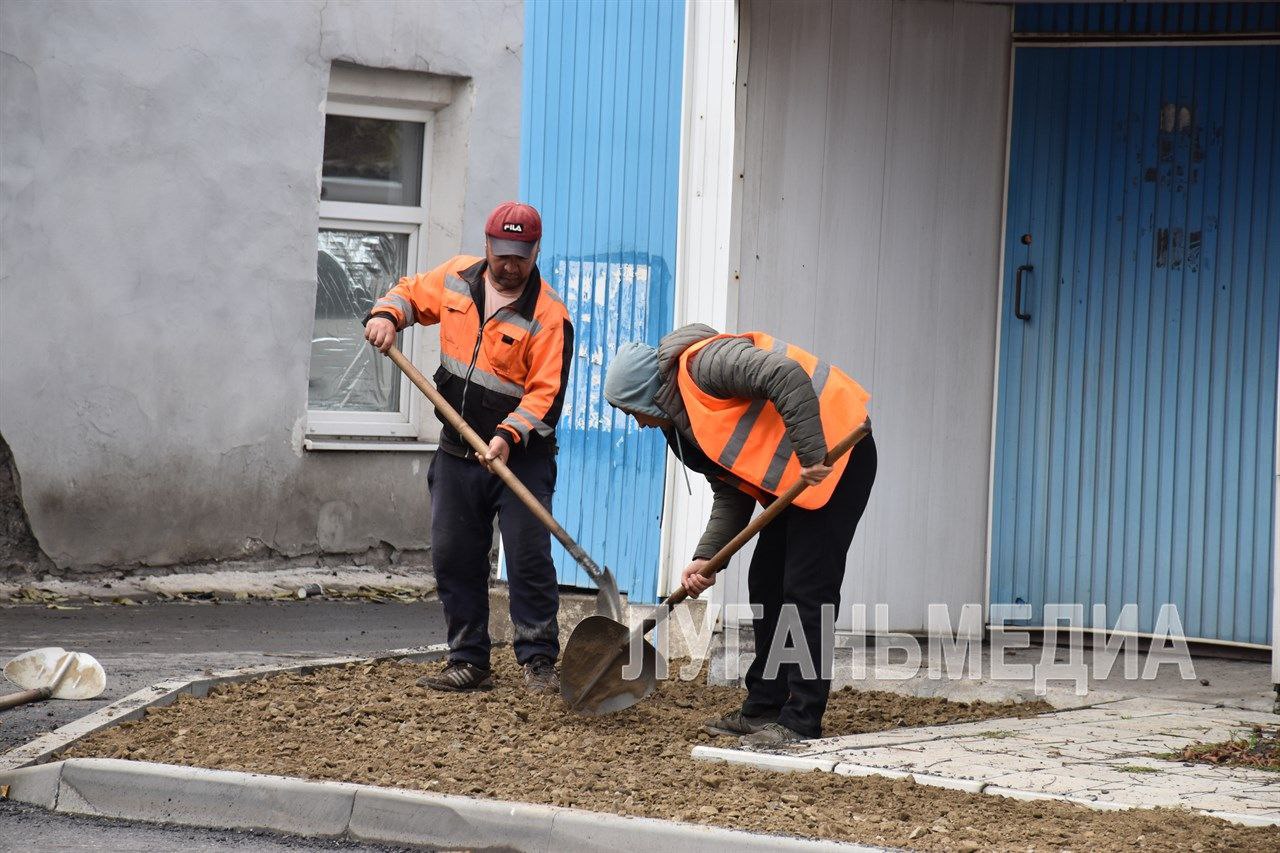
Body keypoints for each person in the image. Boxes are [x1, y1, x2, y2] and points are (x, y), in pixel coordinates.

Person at [603, 324, 876, 745]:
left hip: (838, 454)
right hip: (799, 478)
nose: (636, 424)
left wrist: (810, 452)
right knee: (766, 581)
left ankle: (802, 719)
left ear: (645, 394)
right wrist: (706, 557)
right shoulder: (682, 424)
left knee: (806, 589)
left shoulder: (707, 365)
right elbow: (732, 493)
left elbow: (786, 375)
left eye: (629, 411)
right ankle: (764, 706)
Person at [364, 201, 572, 695]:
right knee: (454, 555)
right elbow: (410, 293)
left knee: (527, 559)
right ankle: (468, 660)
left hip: (520, 458)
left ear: (536, 251)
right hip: (457, 450)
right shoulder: (457, 278)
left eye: (520, 256)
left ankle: (538, 660)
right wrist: (387, 315)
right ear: (487, 246)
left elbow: (546, 395)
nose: (510, 265)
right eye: (502, 253)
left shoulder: (549, 316)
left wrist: (505, 436)